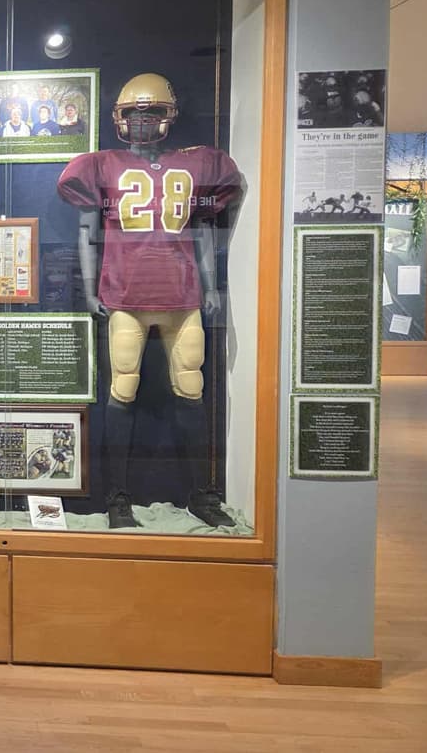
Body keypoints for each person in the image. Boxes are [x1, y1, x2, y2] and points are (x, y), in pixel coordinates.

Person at [57, 73, 242, 530]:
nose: (143, 121)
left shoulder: (197, 164)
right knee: (123, 389)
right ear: (119, 117)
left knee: (191, 387)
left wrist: (212, 285)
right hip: (126, 295)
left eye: (152, 112)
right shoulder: (102, 165)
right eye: (134, 113)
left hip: (182, 296)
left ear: (169, 116)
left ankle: (201, 493)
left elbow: (201, 232)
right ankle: (117, 496)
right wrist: (89, 288)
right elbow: (87, 233)